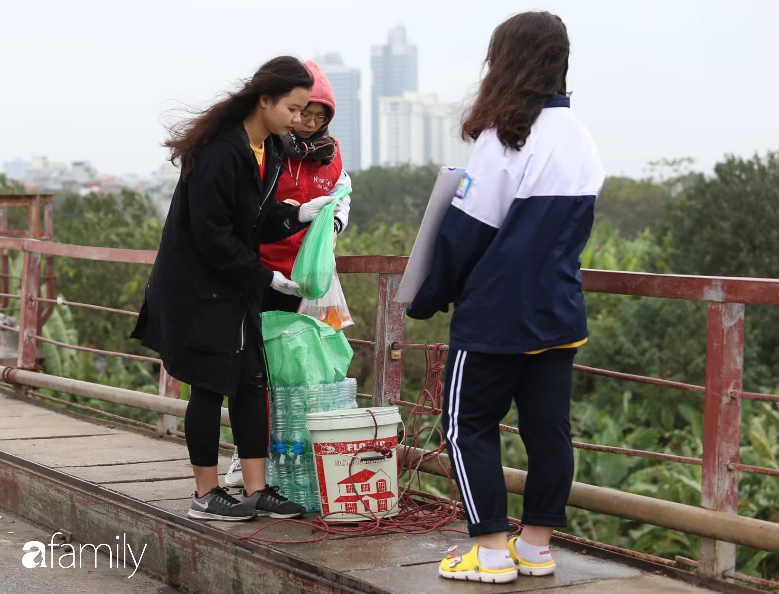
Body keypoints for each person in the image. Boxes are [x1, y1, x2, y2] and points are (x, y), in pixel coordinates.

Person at [406, 12, 605, 584]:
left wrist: (427, 297)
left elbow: (467, 233)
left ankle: (490, 550)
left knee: (466, 425)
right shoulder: (581, 139)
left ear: (507, 63)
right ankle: (534, 547)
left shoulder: (504, 138)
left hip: (494, 317)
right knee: (549, 431)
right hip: (558, 313)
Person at [131, 56, 340, 522]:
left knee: (251, 382)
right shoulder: (221, 152)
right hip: (199, 288)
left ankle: (256, 488)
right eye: (291, 108)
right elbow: (212, 236)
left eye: (304, 109)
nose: (297, 119)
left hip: (233, 287)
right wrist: (266, 276)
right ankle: (205, 495)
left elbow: (255, 219)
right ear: (264, 100)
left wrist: (296, 216)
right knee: (208, 386)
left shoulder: (270, 150)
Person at [225, 59, 352, 489]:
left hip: (304, 282)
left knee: (294, 373)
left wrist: (333, 224)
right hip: (260, 274)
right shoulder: (269, 151)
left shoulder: (331, 160)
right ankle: (245, 459)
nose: (308, 123)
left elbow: (342, 199)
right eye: (302, 112)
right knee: (253, 372)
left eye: (318, 116)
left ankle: (288, 461)